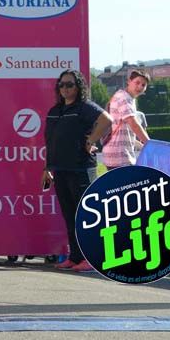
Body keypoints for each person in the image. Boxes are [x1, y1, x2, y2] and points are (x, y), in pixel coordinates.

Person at [42, 70, 112, 272]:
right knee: (70, 215)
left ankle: (92, 258)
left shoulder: (84, 107)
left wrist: (91, 140)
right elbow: (51, 142)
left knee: (86, 215)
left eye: (70, 84)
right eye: (62, 85)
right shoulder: (55, 110)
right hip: (60, 169)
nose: (65, 88)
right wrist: (48, 168)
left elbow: (107, 119)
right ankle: (75, 257)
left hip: (81, 168)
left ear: (78, 86)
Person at [102, 70, 150, 168]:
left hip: (117, 155)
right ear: (129, 81)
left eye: (143, 85)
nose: (140, 87)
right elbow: (134, 124)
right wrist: (149, 144)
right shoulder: (124, 98)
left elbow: (125, 132)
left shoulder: (126, 97)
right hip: (120, 157)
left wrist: (141, 145)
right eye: (137, 82)